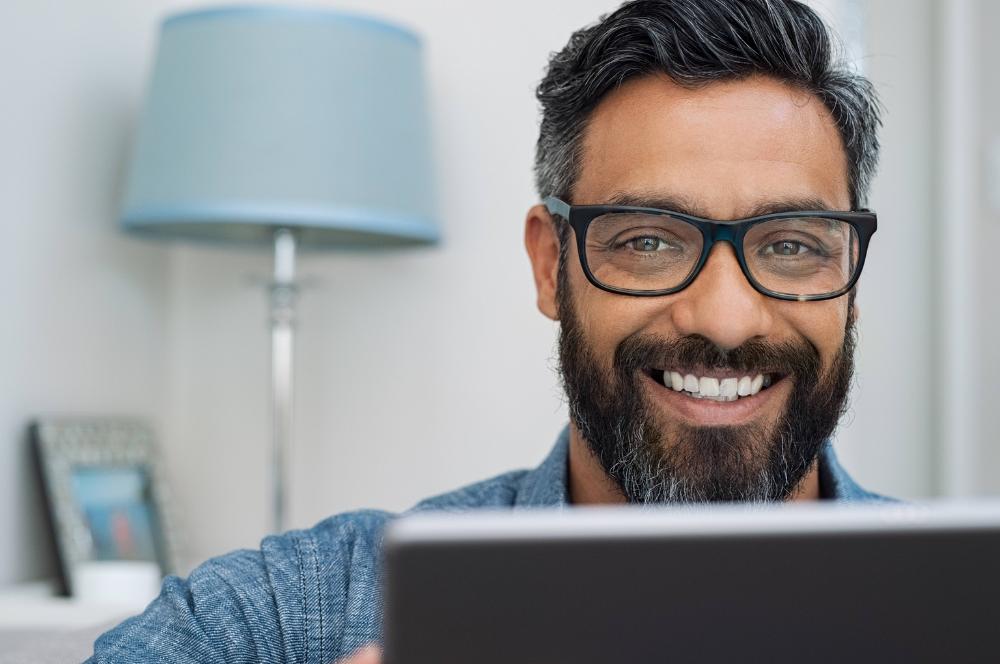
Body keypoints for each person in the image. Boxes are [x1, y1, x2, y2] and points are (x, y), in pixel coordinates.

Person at [89, 1, 891, 662]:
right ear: (551, 267)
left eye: (791, 245)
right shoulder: (299, 612)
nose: (723, 317)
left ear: (849, 280)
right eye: (648, 240)